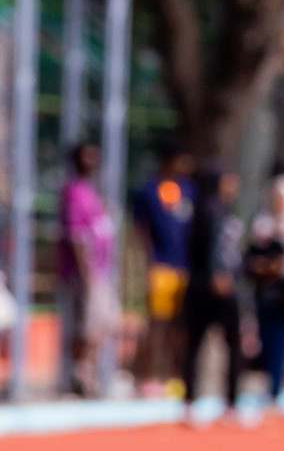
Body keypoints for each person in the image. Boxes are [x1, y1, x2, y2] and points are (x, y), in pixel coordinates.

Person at [130, 142, 194, 395]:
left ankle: (173, 376)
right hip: (161, 266)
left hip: (185, 267)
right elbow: (140, 229)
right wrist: (147, 261)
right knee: (156, 325)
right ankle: (146, 376)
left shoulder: (189, 190)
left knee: (179, 328)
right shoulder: (148, 190)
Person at [181, 162, 245, 419]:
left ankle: (197, 399)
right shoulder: (209, 211)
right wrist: (216, 276)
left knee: (198, 344)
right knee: (218, 342)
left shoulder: (213, 210)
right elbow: (210, 250)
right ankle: (225, 401)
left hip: (207, 285)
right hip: (213, 287)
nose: (233, 186)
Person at [59, 141, 117, 397]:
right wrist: (86, 272)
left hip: (101, 270)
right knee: (87, 328)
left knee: (101, 325)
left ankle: (86, 374)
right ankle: (79, 377)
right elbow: (76, 235)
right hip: (86, 272)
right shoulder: (73, 191)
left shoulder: (90, 191)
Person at [244, 173, 284, 402]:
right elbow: (251, 259)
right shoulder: (262, 224)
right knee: (264, 336)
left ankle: (278, 385)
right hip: (263, 292)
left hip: (283, 294)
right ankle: (268, 381)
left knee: (281, 338)